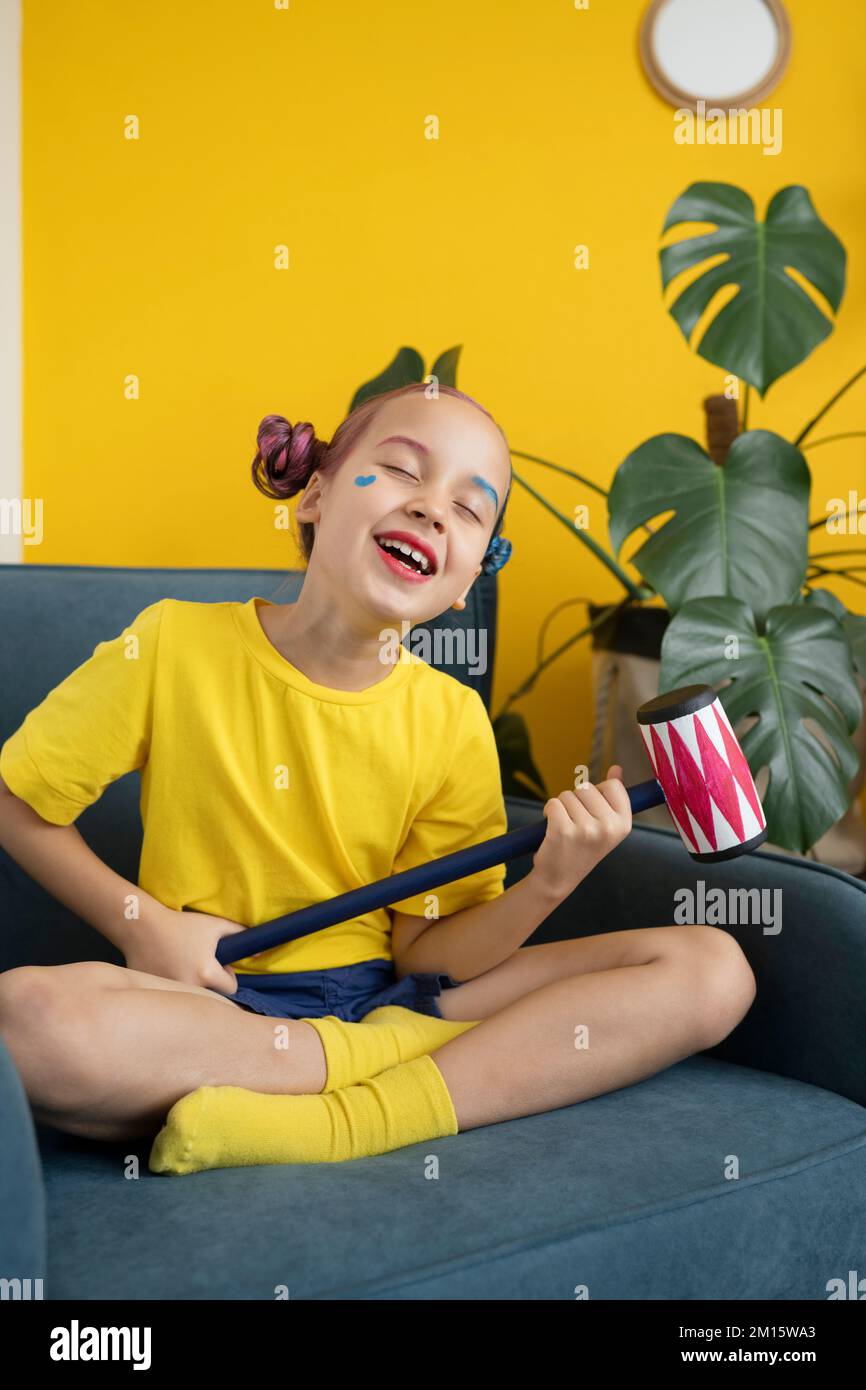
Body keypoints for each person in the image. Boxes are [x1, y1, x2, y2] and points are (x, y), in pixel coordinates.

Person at [0, 382, 756, 1173]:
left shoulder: (451, 719)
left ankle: (349, 1120)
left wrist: (551, 881)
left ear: (465, 581)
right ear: (316, 494)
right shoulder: (170, 645)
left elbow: (433, 956)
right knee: (29, 1018)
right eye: (402, 470)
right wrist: (141, 925)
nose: (434, 509)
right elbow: (17, 798)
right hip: (214, 1003)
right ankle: (402, 1073)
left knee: (711, 971)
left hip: (398, 998)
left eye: (470, 509)